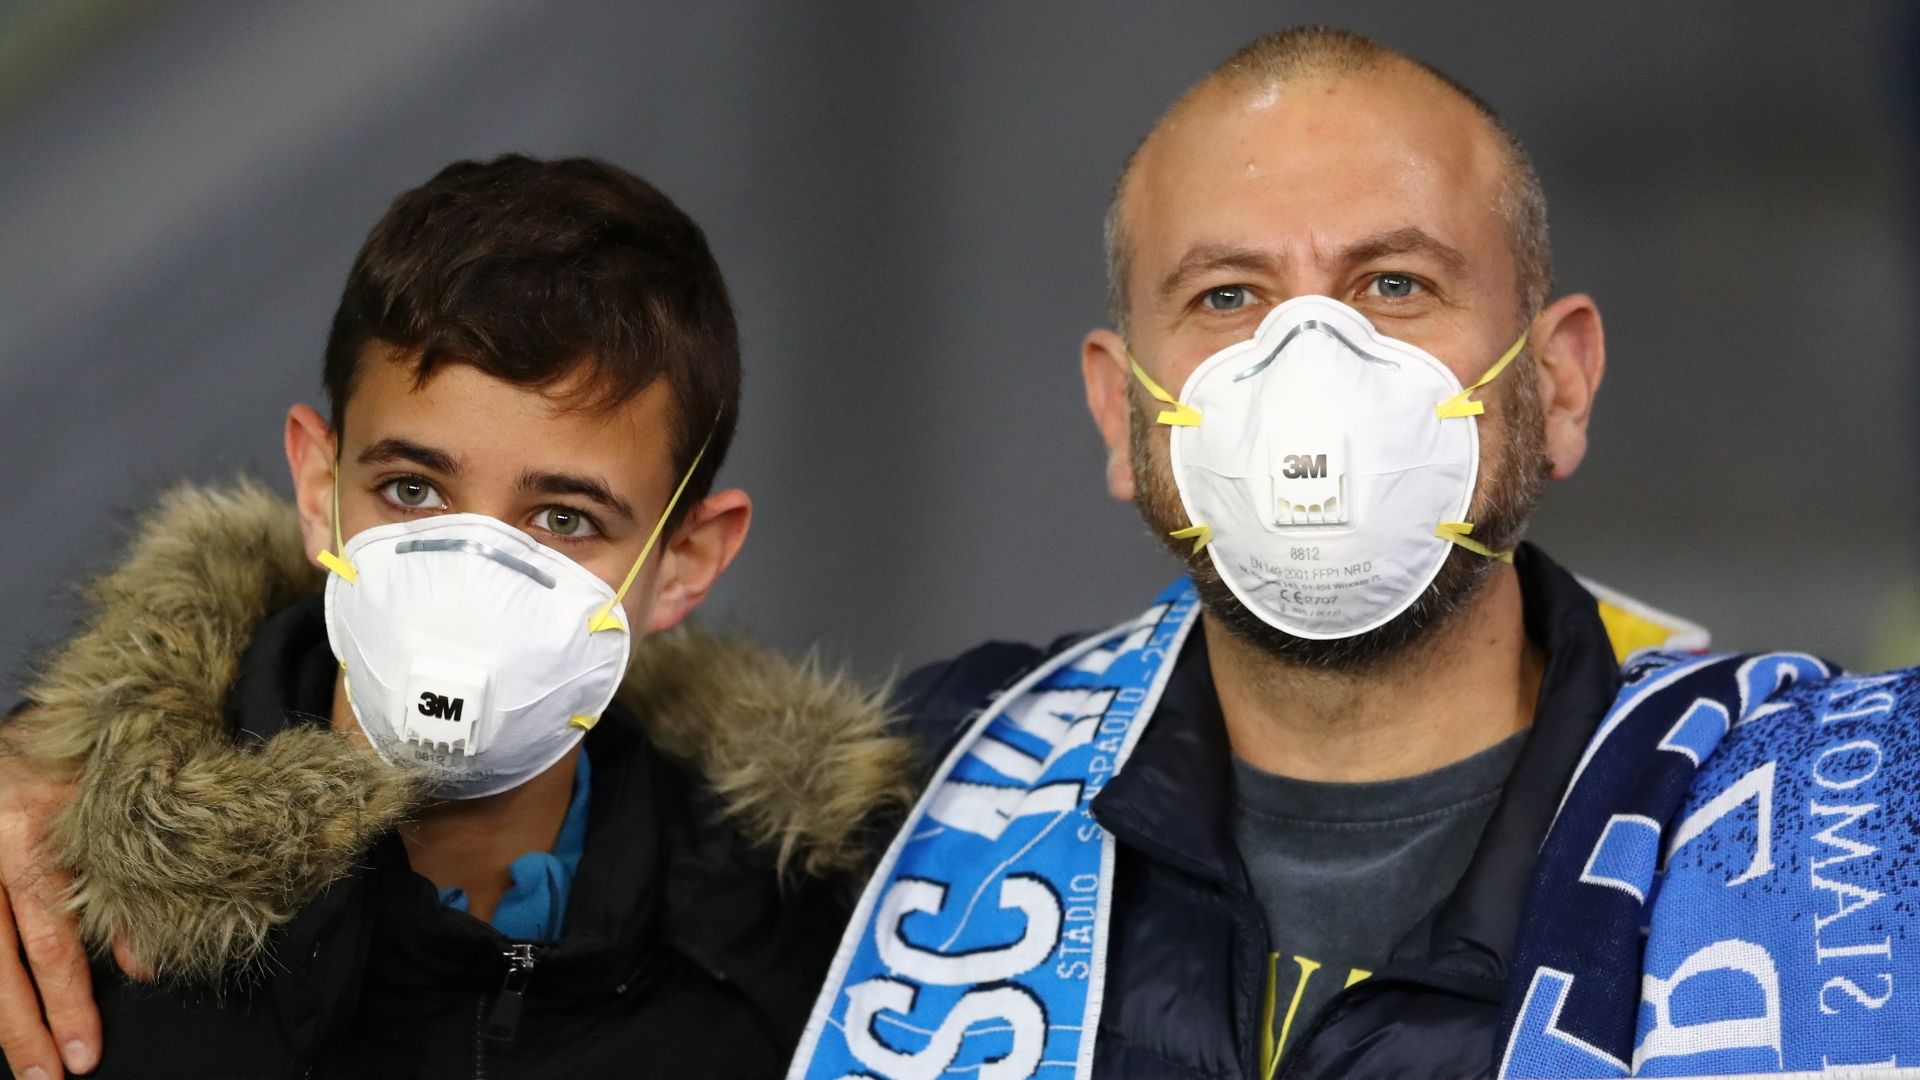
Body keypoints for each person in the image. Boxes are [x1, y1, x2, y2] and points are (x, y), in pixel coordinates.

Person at [787, 27, 1717, 1080]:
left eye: (1394, 283)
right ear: (1120, 409)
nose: (1311, 367)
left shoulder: (1810, 834)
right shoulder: (885, 812)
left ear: (1559, 383)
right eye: (1228, 297)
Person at [0, 154, 921, 1079]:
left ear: (685, 561)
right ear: (319, 490)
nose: (471, 585)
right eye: (413, 490)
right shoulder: (48, 924)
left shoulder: (814, 978)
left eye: (564, 520)